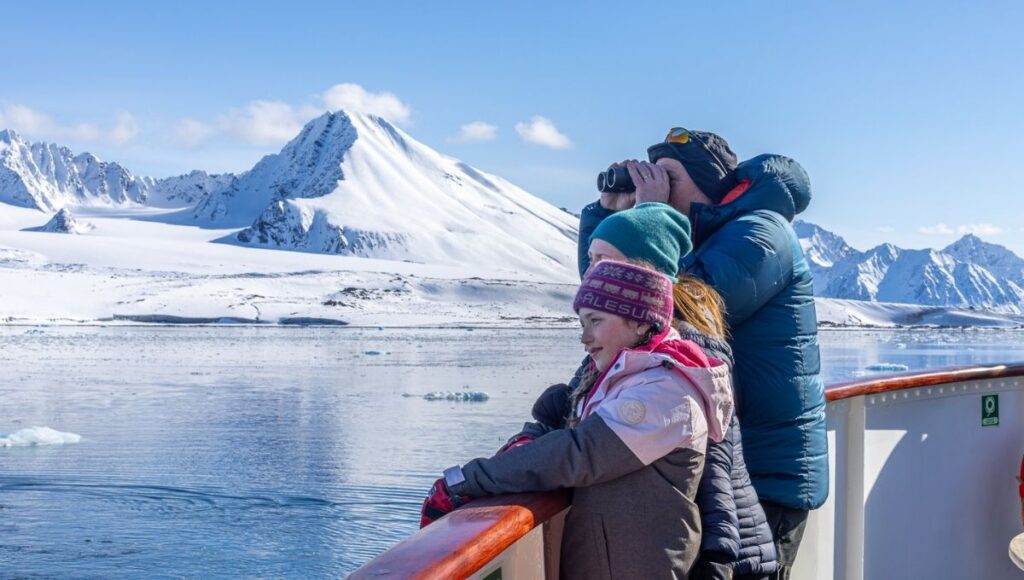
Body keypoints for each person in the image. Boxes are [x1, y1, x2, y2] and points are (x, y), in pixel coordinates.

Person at [578, 128, 828, 579]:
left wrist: (651, 213)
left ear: (706, 182)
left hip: (765, 472)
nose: (651, 181)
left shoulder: (761, 231)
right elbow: (606, 298)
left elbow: (664, 304)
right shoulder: (706, 238)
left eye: (667, 176)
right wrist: (609, 215)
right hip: (726, 465)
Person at [423, 257, 734, 579]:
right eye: (582, 323)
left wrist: (466, 480)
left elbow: (579, 453)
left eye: (595, 321)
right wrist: (539, 431)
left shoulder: (664, 391)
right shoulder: (626, 377)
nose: (584, 337)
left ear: (641, 322)